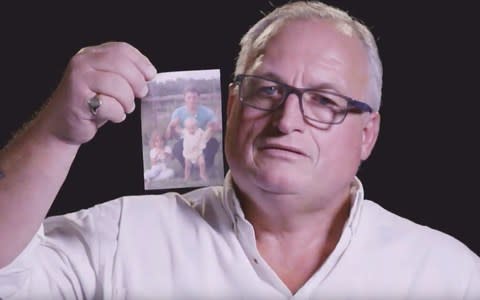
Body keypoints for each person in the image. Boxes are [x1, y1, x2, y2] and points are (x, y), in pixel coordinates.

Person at [0, 1, 479, 299]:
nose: (287, 121)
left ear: (367, 134)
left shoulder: (448, 276)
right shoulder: (125, 238)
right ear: (231, 105)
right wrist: (56, 134)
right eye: (267, 89)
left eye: (324, 101)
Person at [165, 85, 220, 170]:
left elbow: (217, 127)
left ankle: (206, 165)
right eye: (189, 97)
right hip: (186, 140)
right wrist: (170, 126)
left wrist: (213, 126)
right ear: (185, 98)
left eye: (194, 97)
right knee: (177, 147)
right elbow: (169, 136)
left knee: (214, 143)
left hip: (202, 138)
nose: (192, 100)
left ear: (198, 98)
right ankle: (188, 167)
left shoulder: (207, 111)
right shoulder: (178, 112)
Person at [182, 117, 211, 181]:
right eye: (189, 128)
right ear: (186, 128)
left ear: (196, 126)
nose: (191, 130)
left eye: (193, 127)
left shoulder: (199, 131)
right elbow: (178, 131)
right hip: (188, 153)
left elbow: (205, 136)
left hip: (198, 152)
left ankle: (202, 174)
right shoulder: (185, 132)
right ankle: (186, 176)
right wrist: (174, 127)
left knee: (202, 163)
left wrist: (209, 129)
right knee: (187, 166)